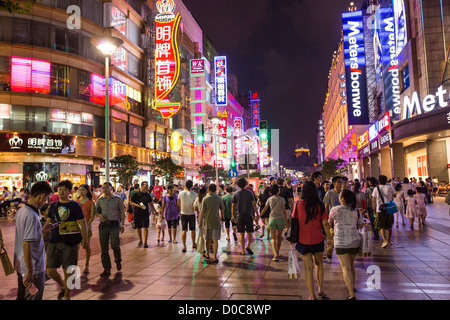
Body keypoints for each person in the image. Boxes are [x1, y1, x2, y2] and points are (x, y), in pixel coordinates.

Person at [46, 180, 88, 300]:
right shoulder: (53, 206)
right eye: (60, 189)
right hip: (54, 240)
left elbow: (82, 222)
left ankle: (66, 295)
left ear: (69, 191)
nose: (61, 192)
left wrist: (84, 239)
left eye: (64, 189)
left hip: (70, 241)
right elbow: (48, 222)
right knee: (50, 270)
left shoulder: (74, 205)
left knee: (68, 269)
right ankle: (63, 285)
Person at [14, 181, 55, 300]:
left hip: (20, 265)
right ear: (42, 196)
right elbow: (27, 245)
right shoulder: (31, 216)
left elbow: (27, 237)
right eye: (47, 198)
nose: (46, 202)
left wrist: (43, 231)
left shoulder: (22, 211)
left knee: (21, 296)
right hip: (32, 267)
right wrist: (30, 272)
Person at [292, 181, 331, 300]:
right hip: (318, 239)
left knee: (308, 268)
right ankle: (320, 289)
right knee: (319, 265)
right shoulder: (319, 205)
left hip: (303, 241)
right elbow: (325, 223)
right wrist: (329, 238)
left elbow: (293, 220)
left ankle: (312, 295)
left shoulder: (298, 204)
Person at [328, 189, 363, 300]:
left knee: (345, 267)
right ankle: (352, 286)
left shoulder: (334, 209)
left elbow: (330, 223)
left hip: (341, 242)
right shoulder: (356, 211)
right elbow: (361, 225)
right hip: (354, 242)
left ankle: (352, 295)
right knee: (351, 265)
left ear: (342, 199)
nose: (339, 196)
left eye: (340, 195)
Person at [95, 182, 126, 277]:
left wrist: (122, 224)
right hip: (103, 225)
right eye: (103, 188)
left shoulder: (117, 199)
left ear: (111, 188)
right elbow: (96, 211)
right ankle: (106, 268)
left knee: (115, 245)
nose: (104, 190)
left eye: (106, 188)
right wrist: (100, 215)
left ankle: (118, 261)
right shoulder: (100, 200)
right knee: (104, 248)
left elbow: (122, 211)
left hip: (114, 224)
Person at [258, 184, 289, 261]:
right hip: (280, 219)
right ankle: (277, 252)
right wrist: (286, 222)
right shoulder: (282, 199)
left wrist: (258, 216)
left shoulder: (269, 199)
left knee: (273, 238)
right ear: (278, 191)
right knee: (279, 237)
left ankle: (275, 253)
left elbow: (264, 209)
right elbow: (284, 211)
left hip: (271, 219)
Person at [198, 184, 225, 263]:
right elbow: (222, 209)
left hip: (207, 221)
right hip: (216, 221)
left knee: (208, 239)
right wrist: (221, 217)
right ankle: (214, 256)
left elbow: (202, 211)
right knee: (215, 239)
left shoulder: (205, 199)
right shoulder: (219, 198)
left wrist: (200, 221)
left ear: (208, 189)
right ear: (215, 189)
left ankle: (207, 254)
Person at [232, 178, 258, 256]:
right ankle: (248, 246)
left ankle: (243, 251)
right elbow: (254, 204)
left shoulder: (235, 194)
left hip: (239, 215)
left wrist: (232, 215)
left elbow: (233, 206)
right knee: (250, 232)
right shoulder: (250, 193)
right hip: (248, 214)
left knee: (241, 233)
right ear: (246, 184)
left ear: (237, 185)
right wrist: (256, 214)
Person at [372, 175, 396, 248]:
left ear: (379, 181)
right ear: (386, 181)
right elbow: (394, 195)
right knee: (389, 225)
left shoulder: (376, 189)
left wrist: (373, 209)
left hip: (379, 210)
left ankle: (384, 240)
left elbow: (373, 200)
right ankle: (388, 240)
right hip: (389, 209)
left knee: (381, 226)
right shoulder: (390, 187)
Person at [130, 181, 156, 248]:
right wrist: (138, 206)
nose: (147, 187)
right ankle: (140, 240)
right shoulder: (136, 194)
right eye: (145, 185)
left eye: (147, 185)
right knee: (138, 227)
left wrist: (155, 211)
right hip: (137, 213)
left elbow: (151, 203)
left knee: (145, 227)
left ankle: (145, 242)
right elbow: (131, 202)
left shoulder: (148, 195)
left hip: (145, 213)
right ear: (141, 186)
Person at [323, 176, 343, 263]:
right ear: (334, 183)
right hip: (332, 220)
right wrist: (327, 220)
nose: (340, 184)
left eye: (341, 182)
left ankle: (342, 257)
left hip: (342, 220)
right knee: (330, 240)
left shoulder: (344, 193)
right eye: (338, 182)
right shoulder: (329, 193)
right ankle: (329, 255)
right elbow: (326, 207)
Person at [76, 184, 95, 274]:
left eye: (83, 190)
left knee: (86, 246)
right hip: (76, 227)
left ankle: (86, 264)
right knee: (75, 247)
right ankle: (74, 264)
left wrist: (86, 225)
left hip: (87, 227)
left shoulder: (91, 203)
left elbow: (92, 216)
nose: (81, 191)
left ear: (87, 191)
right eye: (80, 190)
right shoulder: (76, 202)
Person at [178, 180, 198, 252]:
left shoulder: (181, 193)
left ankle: (184, 246)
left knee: (184, 230)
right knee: (193, 230)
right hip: (191, 214)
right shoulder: (194, 194)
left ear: (185, 185)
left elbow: (178, 202)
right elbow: (195, 205)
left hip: (183, 214)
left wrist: (181, 209)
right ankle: (193, 244)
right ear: (192, 186)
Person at [194, 187, 208, 257]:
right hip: (206, 218)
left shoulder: (197, 200)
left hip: (199, 218)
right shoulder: (206, 199)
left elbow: (195, 208)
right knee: (207, 234)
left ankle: (201, 248)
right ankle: (206, 248)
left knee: (201, 234)